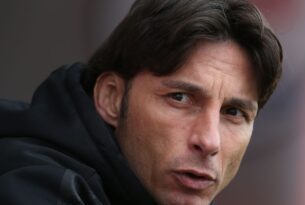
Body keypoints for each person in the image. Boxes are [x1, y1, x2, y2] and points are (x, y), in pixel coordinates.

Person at [0, 0, 282, 204]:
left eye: (233, 112)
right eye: (180, 98)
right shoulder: (36, 189)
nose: (209, 141)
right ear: (111, 98)